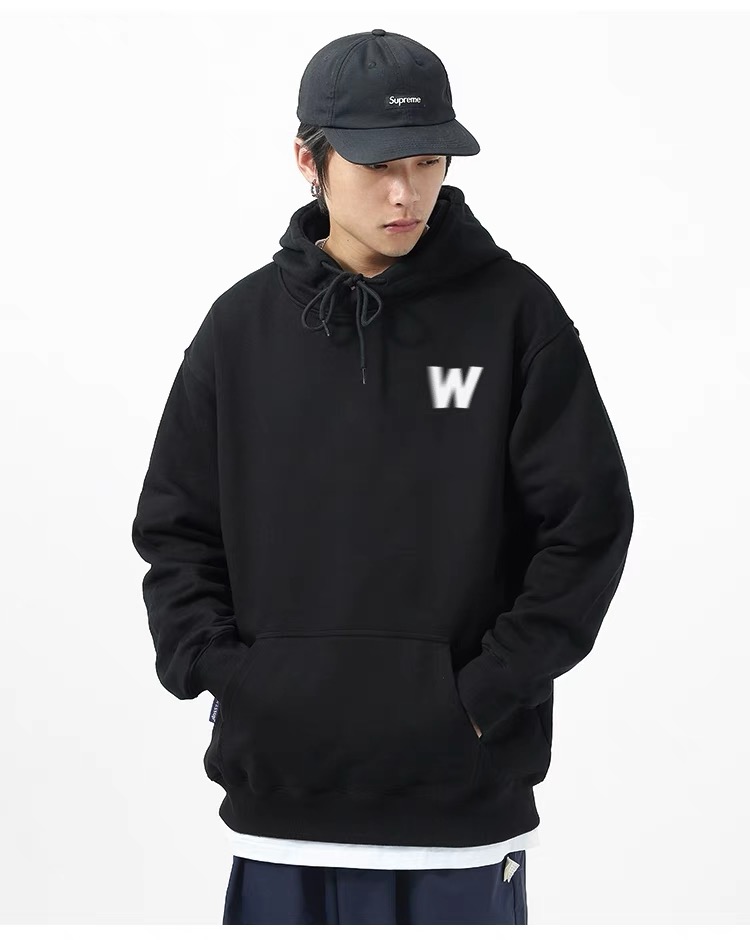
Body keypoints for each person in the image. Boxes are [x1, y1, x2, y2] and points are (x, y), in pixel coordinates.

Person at [131, 28, 635, 925]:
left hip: (459, 813)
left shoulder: (514, 315)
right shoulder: (239, 330)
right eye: (376, 166)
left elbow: (586, 527)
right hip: (281, 812)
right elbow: (177, 528)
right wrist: (229, 677)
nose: (407, 194)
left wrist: (479, 698)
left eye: (427, 162)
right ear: (309, 161)